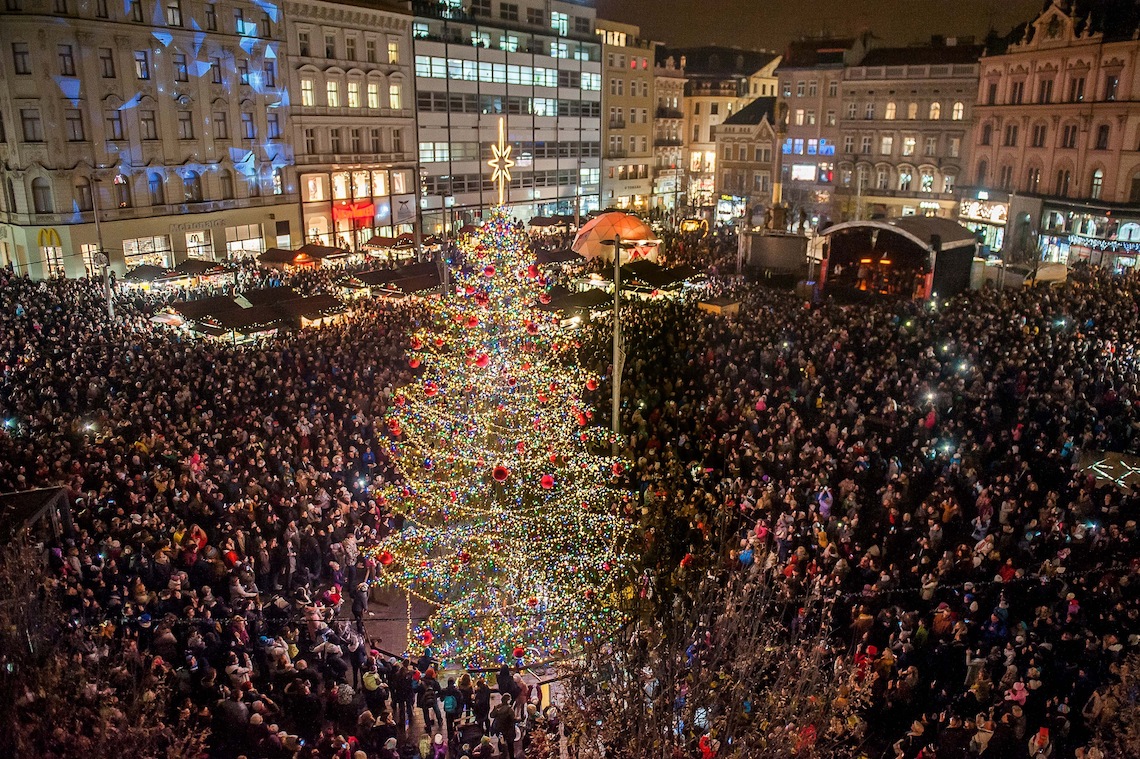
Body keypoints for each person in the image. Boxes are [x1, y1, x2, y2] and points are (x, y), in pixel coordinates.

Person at [491, 694, 517, 759]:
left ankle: (502, 755)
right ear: (508, 700)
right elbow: (513, 719)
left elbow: (491, 715)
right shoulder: (510, 709)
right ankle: (511, 757)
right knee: (510, 744)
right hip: (509, 731)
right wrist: (520, 719)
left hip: (499, 731)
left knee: (501, 742)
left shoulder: (497, 707)